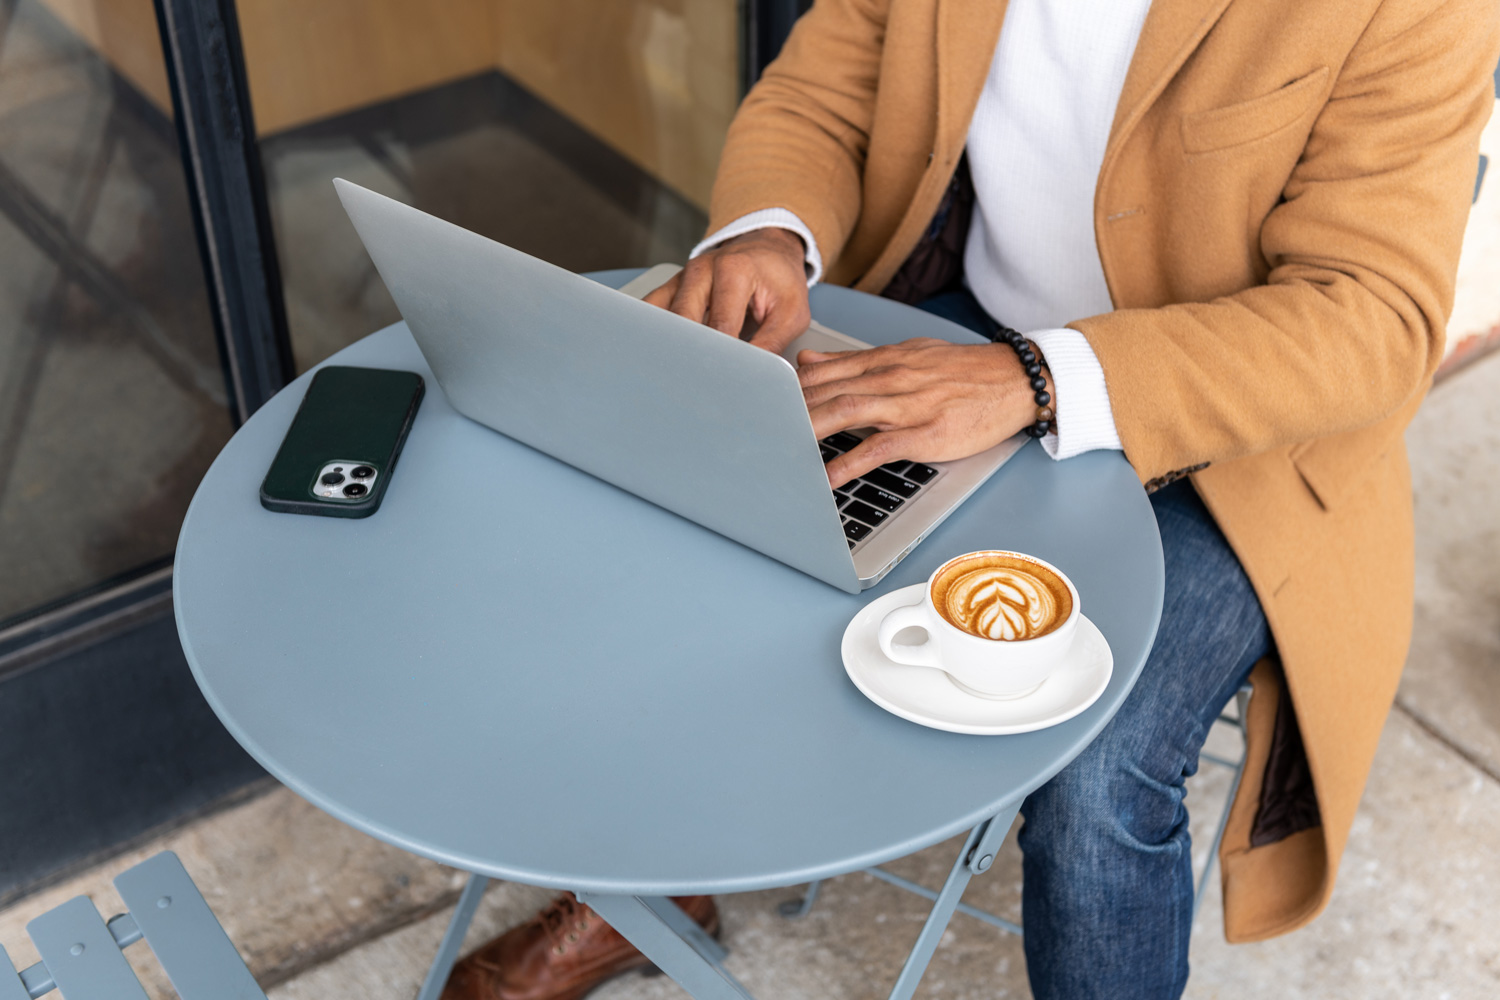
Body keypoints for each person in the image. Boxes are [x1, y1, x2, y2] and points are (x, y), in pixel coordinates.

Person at [442, 1, 1500, 998]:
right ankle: (651, 887)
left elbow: (1370, 314)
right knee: (697, 513)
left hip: (1233, 442)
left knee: (1097, 778)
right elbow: (830, 78)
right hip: (962, 327)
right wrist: (770, 229)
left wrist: (1038, 380)